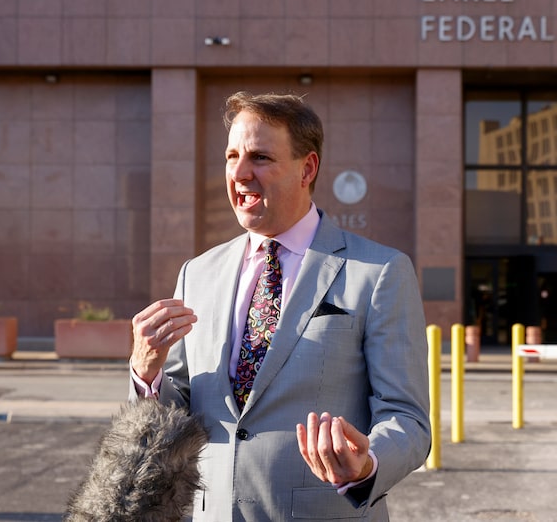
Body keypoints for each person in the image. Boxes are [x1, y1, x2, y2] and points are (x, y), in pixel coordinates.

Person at [128, 91, 431, 521]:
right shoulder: (197, 273)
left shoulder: (379, 271)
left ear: (307, 168)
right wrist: (147, 373)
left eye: (260, 158)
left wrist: (367, 464)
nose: (240, 173)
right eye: (232, 156)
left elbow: (408, 420)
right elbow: (178, 413)